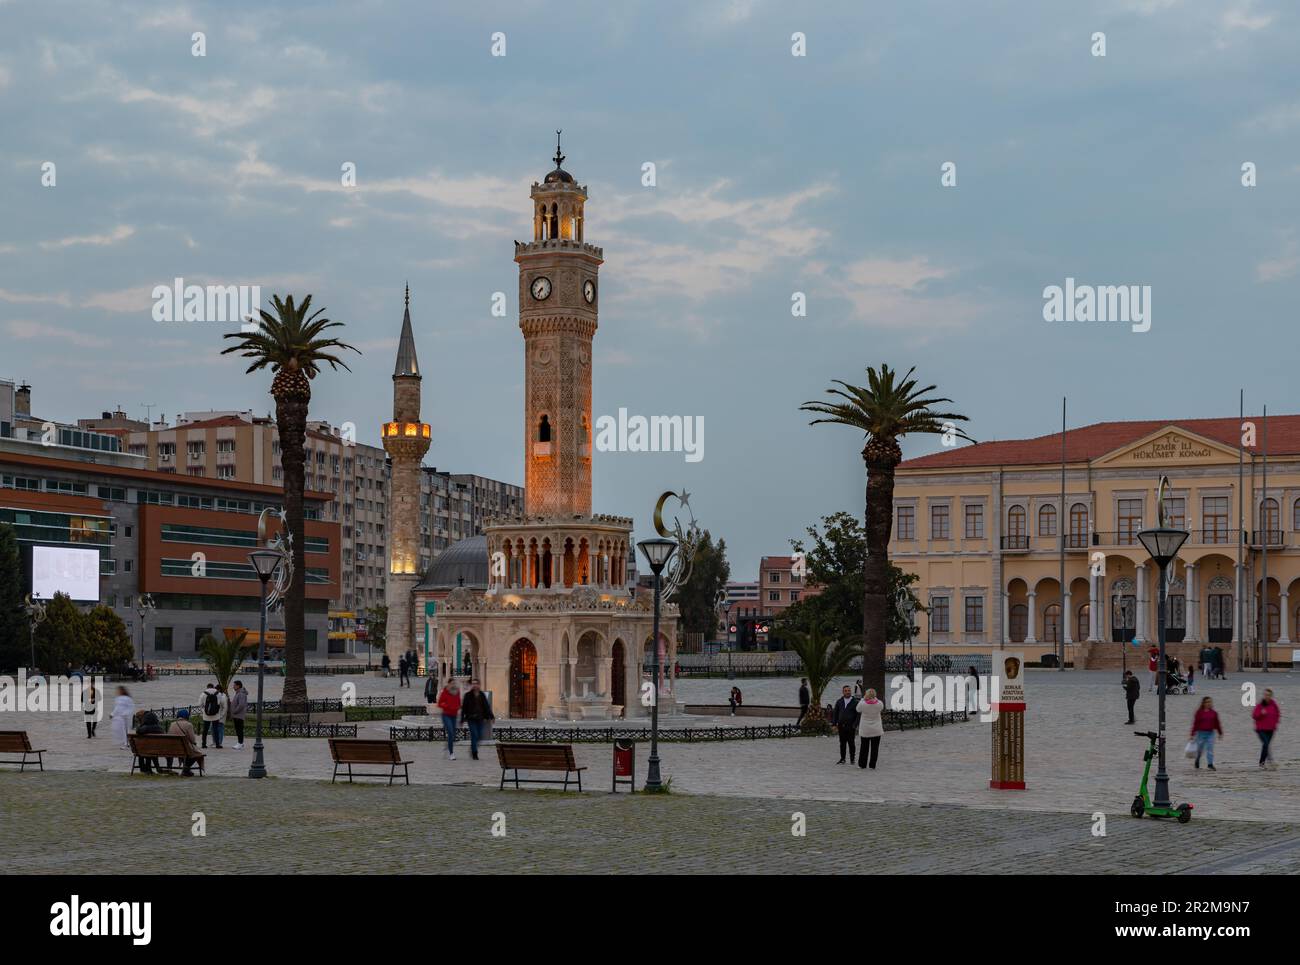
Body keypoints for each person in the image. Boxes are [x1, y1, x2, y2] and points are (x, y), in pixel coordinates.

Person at [461, 679, 495, 761]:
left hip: (480, 718)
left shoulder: (482, 695)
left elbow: (486, 706)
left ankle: (473, 747)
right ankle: (474, 753)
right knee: (474, 735)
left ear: (479, 685)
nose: (475, 685)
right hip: (471, 718)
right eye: (473, 684)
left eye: (476, 684)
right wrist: (462, 719)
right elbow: (464, 708)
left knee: (479, 736)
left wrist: (491, 716)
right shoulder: (468, 695)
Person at [168, 708, 204, 776]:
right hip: (185, 749)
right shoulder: (188, 725)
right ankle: (186, 768)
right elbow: (193, 740)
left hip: (172, 748)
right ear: (187, 716)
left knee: (188, 750)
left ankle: (183, 769)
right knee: (198, 753)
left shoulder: (172, 724)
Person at [1190, 696, 1223, 770]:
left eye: (1210, 702)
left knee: (1210, 749)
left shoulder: (1214, 713)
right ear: (1203, 703)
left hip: (1210, 733)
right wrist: (1192, 734)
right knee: (1200, 749)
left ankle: (1210, 764)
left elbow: (1217, 723)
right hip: (1200, 733)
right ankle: (1197, 759)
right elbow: (1195, 723)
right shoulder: (1199, 712)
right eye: (1207, 702)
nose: (1209, 703)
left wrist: (1220, 733)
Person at [856, 688, 884, 770]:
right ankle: (872, 765)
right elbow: (880, 706)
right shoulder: (879, 704)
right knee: (875, 748)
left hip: (866, 729)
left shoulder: (863, 704)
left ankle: (862, 764)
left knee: (864, 747)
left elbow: (857, 709)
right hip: (876, 729)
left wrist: (862, 699)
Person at [1252, 689, 1281, 770]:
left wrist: (1275, 723)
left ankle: (1269, 761)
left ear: (1271, 696)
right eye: (1265, 695)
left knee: (1267, 745)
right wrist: (1261, 713)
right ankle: (1262, 762)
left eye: (1268, 695)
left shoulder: (1274, 705)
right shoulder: (1260, 705)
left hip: (1271, 729)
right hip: (1260, 729)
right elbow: (1254, 716)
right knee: (1265, 744)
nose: (1266, 696)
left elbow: (1278, 714)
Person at [832, 685, 858, 764]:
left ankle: (852, 759)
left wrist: (855, 725)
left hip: (851, 726)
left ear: (851, 691)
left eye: (849, 690)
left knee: (851, 743)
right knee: (842, 743)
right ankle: (842, 759)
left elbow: (858, 715)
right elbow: (835, 713)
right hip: (841, 726)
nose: (847, 692)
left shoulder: (855, 702)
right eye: (845, 691)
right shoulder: (839, 701)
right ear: (843, 692)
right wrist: (834, 724)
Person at [437, 680, 462, 760]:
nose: (453, 684)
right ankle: (451, 753)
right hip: (446, 715)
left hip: (454, 715)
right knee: (450, 732)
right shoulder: (445, 692)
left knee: (453, 734)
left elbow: (458, 702)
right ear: (448, 684)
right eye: (451, 683)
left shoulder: (457, 692)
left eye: (454, 683)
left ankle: (447, 746)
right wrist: (447, 705)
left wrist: (458, 706)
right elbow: (439, 703)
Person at [199, 682, 227, 749]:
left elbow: (200, 705)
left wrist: (204, 712)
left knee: (205, 730)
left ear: (207, 687)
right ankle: (217, 744)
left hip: (206, 716)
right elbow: (224, 706)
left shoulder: (203, 694)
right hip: (216, 715)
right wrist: (221, 715)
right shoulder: (218, 694)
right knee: (216, 730)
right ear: (213, 687)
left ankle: (204, 744)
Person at [229, 680, 248, 749]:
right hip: (237, 715)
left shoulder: (241, 694)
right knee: (238, 729)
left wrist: (234, 711)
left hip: (239, 715)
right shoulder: (238, 693)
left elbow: (241, 705)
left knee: (239, 729)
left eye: (234, 685)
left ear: (238, 686)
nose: (233, 687)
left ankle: (240, 743)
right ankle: (240, 742)